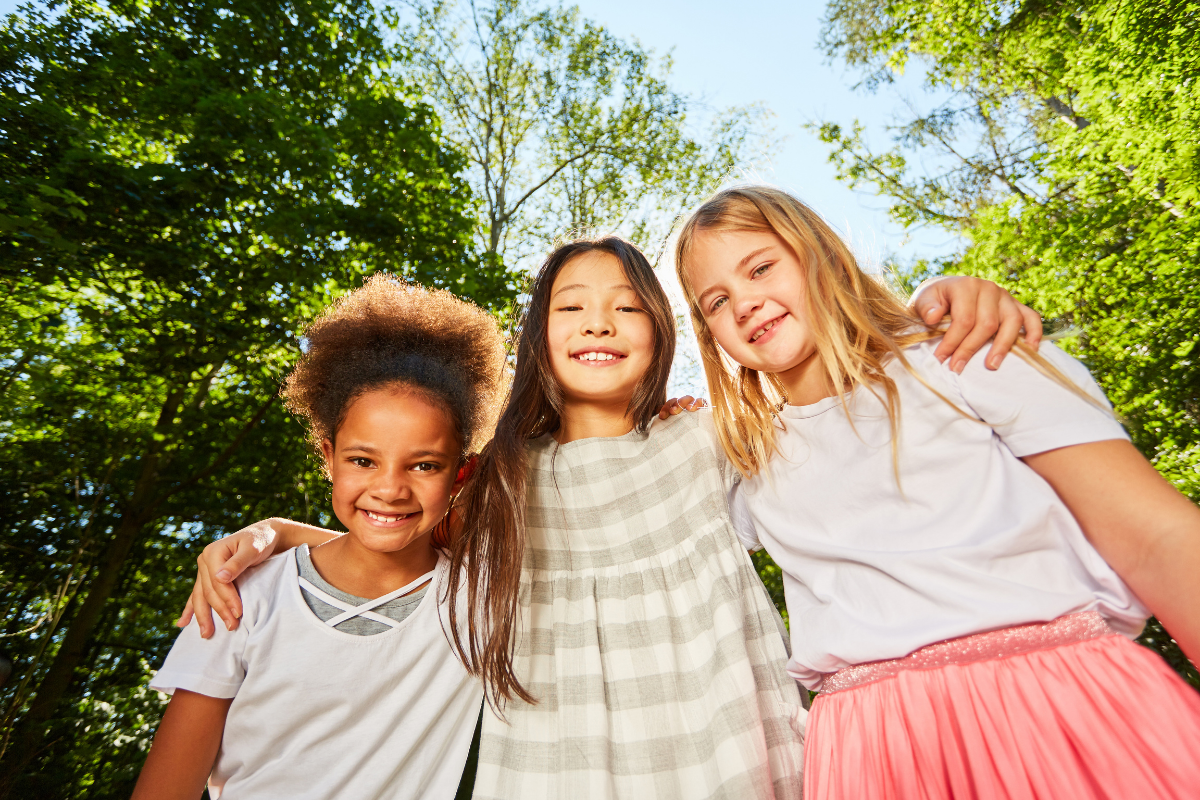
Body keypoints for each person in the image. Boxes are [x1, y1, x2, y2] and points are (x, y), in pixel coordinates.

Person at [181, 241, 1040, 800]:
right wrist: (271, 534)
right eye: (571, 305)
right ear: (539, 338)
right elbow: (390, 532)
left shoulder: (715, 440)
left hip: (720, 753)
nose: (599, 319)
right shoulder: (502, 485)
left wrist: (939, 300)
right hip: (559, 768)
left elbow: (839, 409)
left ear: (662, 330)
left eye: (627, 305)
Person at [673, 184, 1200, 799]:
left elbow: (1157, 537)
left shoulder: (966, 358)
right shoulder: (746, 462)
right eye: (716, 301)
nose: (745, 303)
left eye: (761, 267)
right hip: (875, 754)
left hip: (1052, 706)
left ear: (822, 256)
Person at [133, 275, 507, 800]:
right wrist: (277, 538)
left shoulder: (479, 604)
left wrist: (280, 531)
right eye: (363, 460)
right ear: (328, 458)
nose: (390, 488)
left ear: (459, 476)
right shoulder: (240, 594)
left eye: (424, 464)